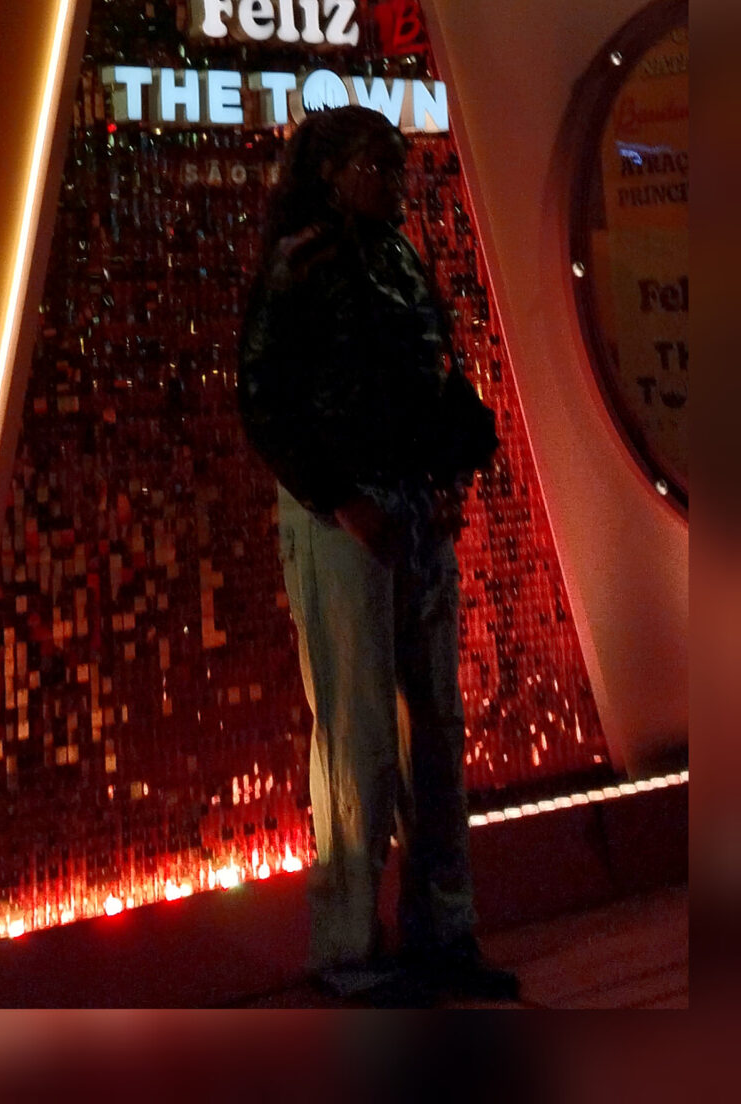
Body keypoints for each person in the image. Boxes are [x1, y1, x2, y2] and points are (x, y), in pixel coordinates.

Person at [237, 104, 520, 1007]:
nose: (396, 181)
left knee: (435, 728)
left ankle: (443, 931)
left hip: (409, 508)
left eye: (397, 165)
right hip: (344, 517)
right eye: (379, 166)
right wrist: (343, 499)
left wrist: (447, 474)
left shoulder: (397, 258)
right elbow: (263, 399)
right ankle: (351, 950)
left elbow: (435, 378)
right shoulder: (301, 266)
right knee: (357, 733)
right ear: (332, 175)